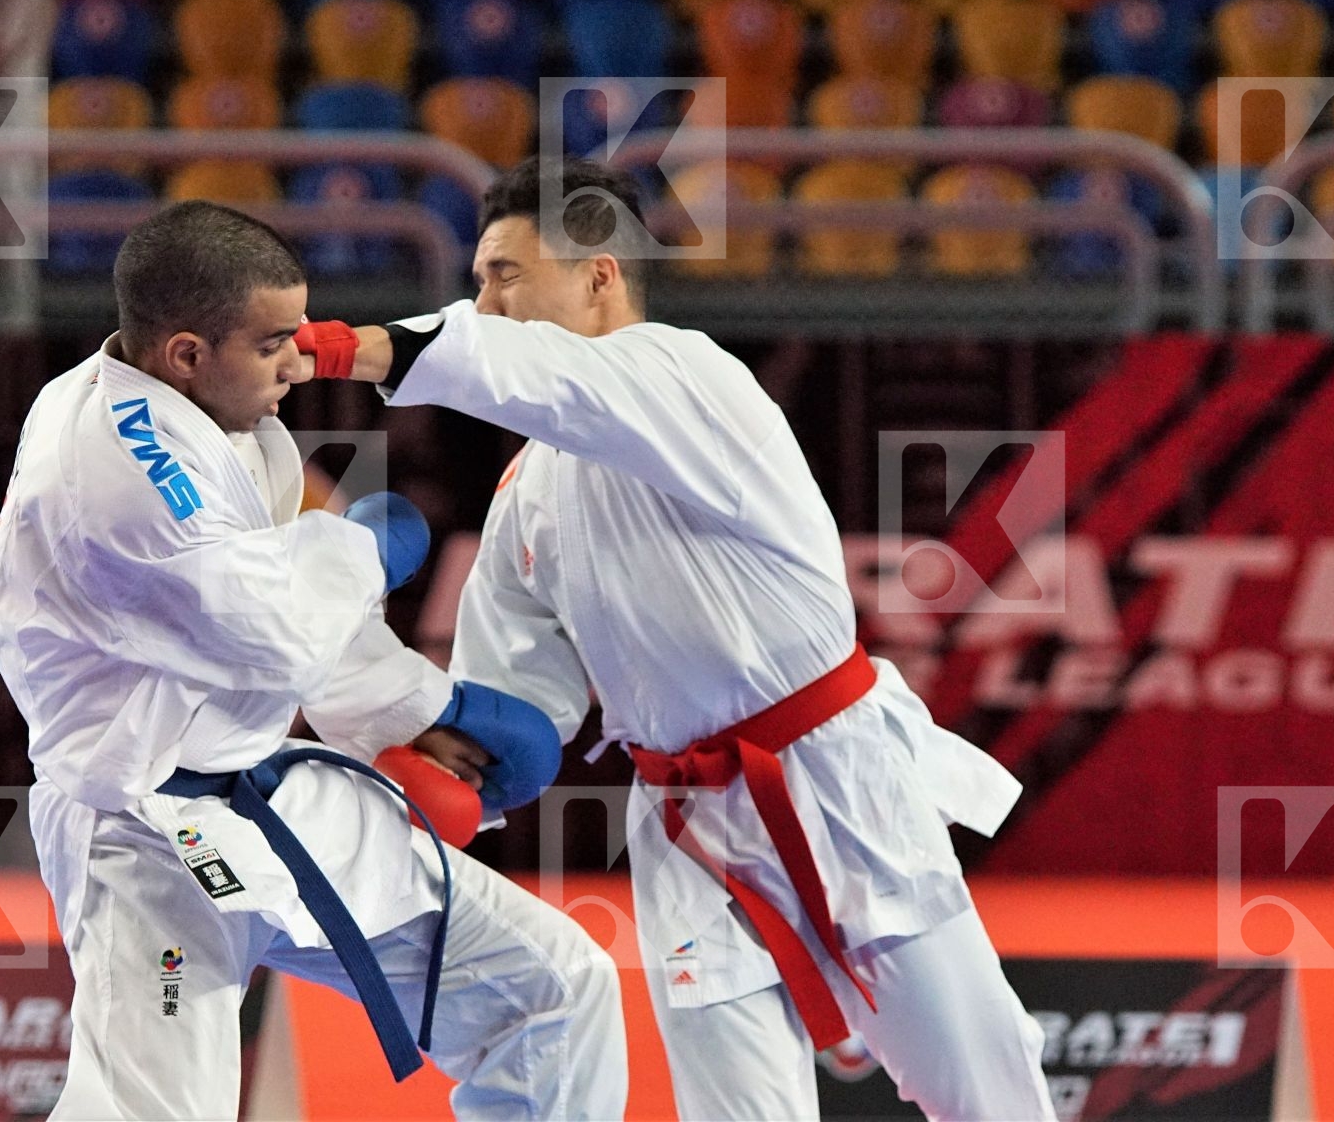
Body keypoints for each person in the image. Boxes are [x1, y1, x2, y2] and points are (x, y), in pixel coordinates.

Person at [297, 158, 1056, 1120]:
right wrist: (444, 763)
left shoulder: (690, 376)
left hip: (835, 785)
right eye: (478, 279)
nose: (481, 301)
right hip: (685, 825)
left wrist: (340, 348)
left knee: (987, 1096)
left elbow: (536, 375)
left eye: (505, 274)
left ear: (600, 272)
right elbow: (519, 695)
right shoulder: (528, 492)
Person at [0, 200, 626, 1120]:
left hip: (263, 791)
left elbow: (288, 624)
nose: (300, 360)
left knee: (554, 989)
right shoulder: (121, 463)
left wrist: (423, 713)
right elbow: (274, 623)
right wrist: (371, 551)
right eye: (275, 341)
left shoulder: (206, 413)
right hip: (146, 841)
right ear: (188, 353)